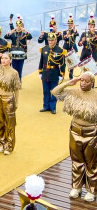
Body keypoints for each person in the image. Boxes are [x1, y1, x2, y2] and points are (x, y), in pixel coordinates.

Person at [51, 72, 97, 202]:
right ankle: (76, 187)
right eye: (81, 80)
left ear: (92, 83)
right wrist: (69, 82)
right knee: (76, 161)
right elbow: (55, 92)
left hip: (92, 133)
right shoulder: (74, 92)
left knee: (92, 163)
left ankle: (91, 190)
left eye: (86, 81)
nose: (83, 83)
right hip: (75, 131)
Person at [0, 52, 21, 155]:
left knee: (10, 124)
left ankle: (9, 145)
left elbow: (17, 89)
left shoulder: (14, 73)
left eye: (6, 58)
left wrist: (17, 102)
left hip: (8, 98)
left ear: (10, 60)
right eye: (2, 58)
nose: (3, 60)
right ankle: (1, 143)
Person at [38, 32, 66, 114]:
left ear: (55, 40)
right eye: (49, 40)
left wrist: (61, 74)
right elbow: (41, 61)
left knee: (54, 91)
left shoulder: (60, 50)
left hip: (54, 73)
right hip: (45, 73)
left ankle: (52, 107)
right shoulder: (44, 49)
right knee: (45, 91)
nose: (50, 42)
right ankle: (45, 106)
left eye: (52, 40)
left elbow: (63, 64)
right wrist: (40, 71)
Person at [62, 15, 79, 79]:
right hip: (66, 47)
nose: (69, 25)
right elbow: (65, 38)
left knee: (72, 62)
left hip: (72, 47)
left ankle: (70, 75)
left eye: (71, 24)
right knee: (63, 63)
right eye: (68, 24)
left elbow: (77, 34)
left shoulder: (74, 31)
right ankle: (62, 75)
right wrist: (69, 31)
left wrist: (73, 30)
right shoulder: (64, 32)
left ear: (73, 24)